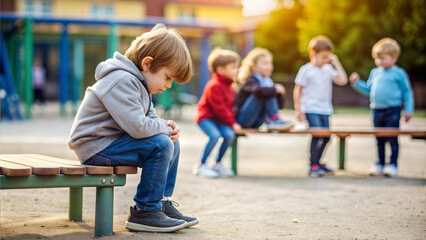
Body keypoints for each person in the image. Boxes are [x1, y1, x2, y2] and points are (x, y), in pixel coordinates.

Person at [68, 24, 198, 233]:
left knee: (171, 141)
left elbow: (149, 117)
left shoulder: (139, 84)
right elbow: (138, 127)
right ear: (147, 64)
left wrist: (167, 126)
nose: (169, 85)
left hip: (112, 143)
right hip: (96, 146)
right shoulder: (121, 80)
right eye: (167, 77)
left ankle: (161, 203)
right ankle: (145, 211)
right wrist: (162, 129)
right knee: (161, 143)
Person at [349, 38, 414, 177]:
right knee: (379, 139)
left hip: (393, 110)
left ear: (394, 58)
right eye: (377, 59)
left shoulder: (399, 73)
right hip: (377, 110)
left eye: (383, 58)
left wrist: (408, 110)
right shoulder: (375, 73)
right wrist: (357, 83)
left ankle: (392, 165)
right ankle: (379, 163)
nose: (379, 62)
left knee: (392, 138)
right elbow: (368, 89)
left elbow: (407, 92)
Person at [293, 35, 348, 177]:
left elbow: (342, 80)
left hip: (325, 109)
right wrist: (298, 109)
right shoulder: (306, 70)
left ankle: (318, 162)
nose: (326, 60)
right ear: (313, 54)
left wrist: (336, 63)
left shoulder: (328, 69)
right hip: (311, 108)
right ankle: (313, 165)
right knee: (317, 135)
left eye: (328, 57)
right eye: (323, 57)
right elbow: (297, 90)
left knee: (327, 137)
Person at [193, 48, 242, 178]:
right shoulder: (214, 85)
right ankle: (201, 165)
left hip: (218, 119)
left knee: (229, 135)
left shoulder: (230, 86)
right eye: (233, 67)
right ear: (221, 69)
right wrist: (233, 123)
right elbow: (220, 109)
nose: (236, 70)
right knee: (214, 135)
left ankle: (217, 163)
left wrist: (233, 124)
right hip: (206, 118)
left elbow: (229, 108)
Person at [234, 48, 293, 131]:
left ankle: (274, 120)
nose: (269, 67)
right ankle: (274, 120)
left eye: (270, 63)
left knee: (268, 90)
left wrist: (279, 93)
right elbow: (259, 91)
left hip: (257, 121)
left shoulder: (268, 82)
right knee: (264, 92)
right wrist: (274, 89)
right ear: (253, 66)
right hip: (243, 120)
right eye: (265, 63)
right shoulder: (249, 80)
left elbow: (280, 106)